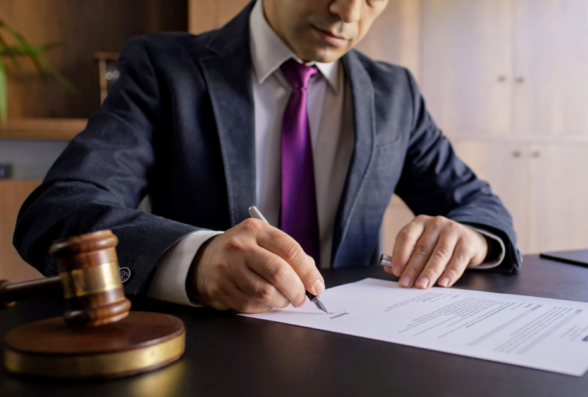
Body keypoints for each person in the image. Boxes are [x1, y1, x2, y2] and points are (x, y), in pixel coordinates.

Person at [14, 0, 519, 314]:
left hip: (361, 362)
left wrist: (469, 236)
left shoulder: (395, 92)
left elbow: (477, 203)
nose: (348, 12)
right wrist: (195, 261)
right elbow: (59, 211)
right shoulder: (163, 68)